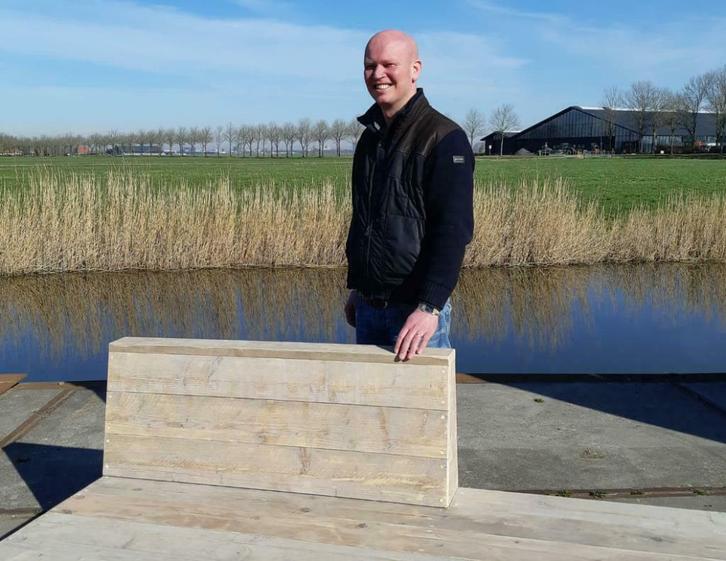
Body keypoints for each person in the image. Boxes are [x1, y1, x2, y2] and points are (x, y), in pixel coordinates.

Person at [344, 29, 474, 361]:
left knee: (424, 395)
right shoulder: (369, 140)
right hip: (369, 308)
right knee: (371, 395)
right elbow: (366, 221)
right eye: (370, 66)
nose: (378, 74)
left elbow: (453, 230)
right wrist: (359, 287)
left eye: (389, 64)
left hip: (415, 314)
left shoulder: (444, 138)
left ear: (415, 69)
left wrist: (430, 306)